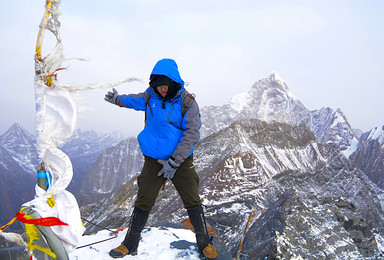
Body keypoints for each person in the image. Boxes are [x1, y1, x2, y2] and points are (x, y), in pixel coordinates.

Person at [104, 58, 217, 259]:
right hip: (153, 160)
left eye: (165, 86)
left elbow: (192, 134)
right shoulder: (150, 97)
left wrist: (174, 162)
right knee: (143, 199)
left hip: (180, 162)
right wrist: (117, 100)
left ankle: (203, 242)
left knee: (192, 199)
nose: (162, 90)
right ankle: (130, 243)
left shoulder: (187, 102)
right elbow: (134, 100)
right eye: (159, 86)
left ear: (173, 82)